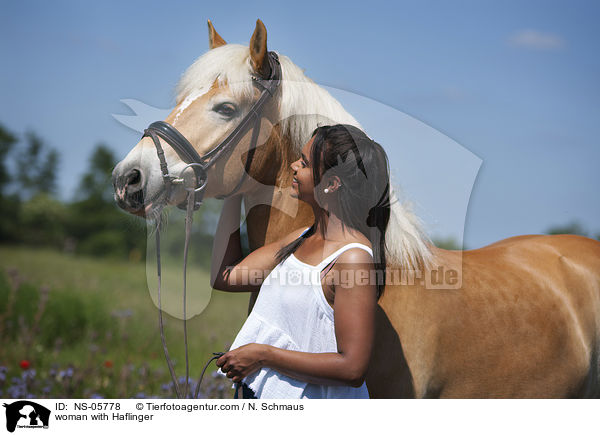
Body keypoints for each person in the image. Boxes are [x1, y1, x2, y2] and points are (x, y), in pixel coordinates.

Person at [210, 124, 391, 398]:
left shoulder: (352, 259)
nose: (294, 165)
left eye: (304, 163)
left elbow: (353, 368)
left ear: (331, 184)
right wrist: (234, 194)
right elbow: (225, 276)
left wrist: (262, 355)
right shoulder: (301, 238)